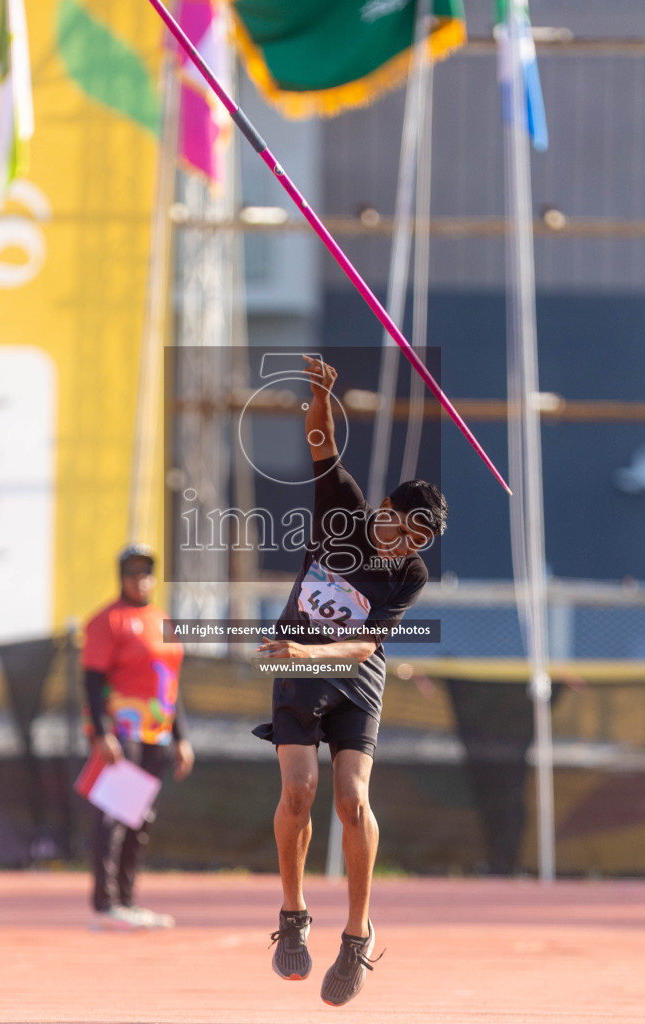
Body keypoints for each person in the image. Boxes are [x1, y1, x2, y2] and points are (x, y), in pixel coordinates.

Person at [254, 356, 447, 1006]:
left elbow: (367, 643)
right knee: (301, 790)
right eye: (400, 528)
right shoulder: (344, 512)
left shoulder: (409, 576)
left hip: (351, 672)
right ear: (383, 510)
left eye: (417, 541)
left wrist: (310, 657)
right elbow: (322, 444)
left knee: (352, 801)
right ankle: (292, 913)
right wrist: (318, 392)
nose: (402, 546)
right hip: (298, 665)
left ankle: (358, 935)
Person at [80, 544, 194, 931]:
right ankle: (106, 902)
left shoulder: (161, 619)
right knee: (114, 816)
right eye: (132, 571)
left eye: (146, 571)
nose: (140, 578)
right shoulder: (108, 621)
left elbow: (169, 685)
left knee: (139, 819)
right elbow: (92, 682)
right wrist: (101, 733)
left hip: (155, 734)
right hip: (122, 731)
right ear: (121, 576)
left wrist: (181, 737)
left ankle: (127, 900)